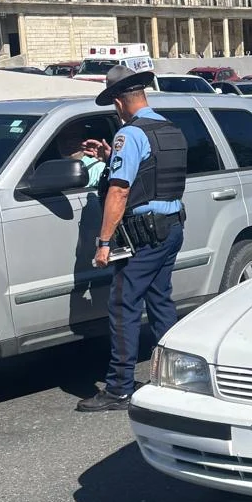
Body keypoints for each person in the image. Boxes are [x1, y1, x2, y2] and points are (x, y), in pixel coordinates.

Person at [76, 65, 188, 413]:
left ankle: (119, 387)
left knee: (123, 306)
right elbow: (151, 175)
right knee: (160, 304)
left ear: (119, 104)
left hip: (142, 236)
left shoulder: (130, 134)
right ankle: (180, 377)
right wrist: (110, 157)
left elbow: (120, 191)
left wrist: (104, 242)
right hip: (171, 228)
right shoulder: (168, 129)